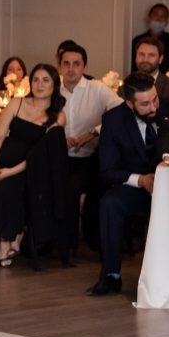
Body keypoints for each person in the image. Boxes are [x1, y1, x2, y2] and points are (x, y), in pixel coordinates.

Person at [0, 64, 66, 266]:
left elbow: (39, 157)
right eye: (36, 79)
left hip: (29, 169)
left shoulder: (58, 117)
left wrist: (10, 172)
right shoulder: (17, 103)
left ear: (55, 85)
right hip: (4, 161)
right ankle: (7, 233)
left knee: (9, 189)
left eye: (46, 80)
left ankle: (7, 240)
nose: (39, 84)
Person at [88, 72, 159, 296]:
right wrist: (141, 180)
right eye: (145, 104)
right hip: (138, 187)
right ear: (130, 103)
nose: (153, 107)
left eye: (155, 99)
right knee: (110, 203)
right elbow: (108, 170)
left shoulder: (168, 110)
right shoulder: (114, 120)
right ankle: (111, 275)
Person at [58, 42, 121, 254]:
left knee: (73, 186)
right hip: (59, 155)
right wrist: (60, 137)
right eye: (66, 64)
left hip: (90, 157)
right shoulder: (53, 89)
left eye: (76, 64)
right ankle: (52, 241)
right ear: (59, 67)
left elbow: (122, 115)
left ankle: (70, 245)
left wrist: (92, 133)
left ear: (84, 66)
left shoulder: (97, 89)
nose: (71, 69)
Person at [131, 36, 169, 118]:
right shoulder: (125, 88)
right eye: (141, 54)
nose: (145, 59)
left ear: (160, 59)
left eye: (151, 55)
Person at [130, 3, 169, 76]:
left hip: (168, 84)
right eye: (155, 15)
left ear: (167, 21)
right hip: (140, 83)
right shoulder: (137, 41)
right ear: (149, 18)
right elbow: (131, 67)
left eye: (162, 17)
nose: (158, 19)